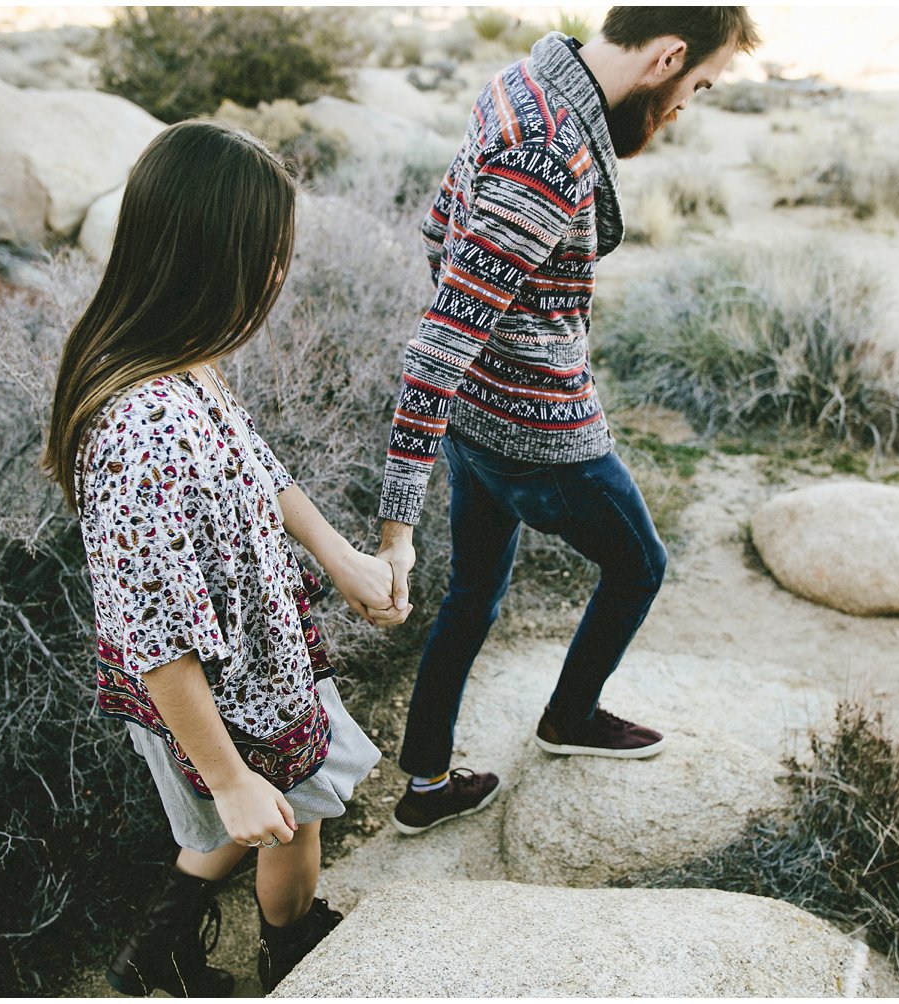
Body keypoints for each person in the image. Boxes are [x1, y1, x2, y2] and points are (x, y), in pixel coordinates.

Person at [43, 120, 407, 995]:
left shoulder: (181, 363)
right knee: (290, 822)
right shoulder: (140, 429)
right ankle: (291, 951)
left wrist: (342, 558)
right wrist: (231, 775)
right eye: (269, 252)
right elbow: (157, 639)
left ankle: (156, 953)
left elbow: (255, 466)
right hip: (221, 694)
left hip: (259, 660)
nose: (279, 274)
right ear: (216, 257)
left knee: (259, 813)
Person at [375, 8, 761, 834]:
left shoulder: (518, 84)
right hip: (540, 434)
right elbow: (439, 342)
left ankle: (427, 781)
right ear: (667, 56)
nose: (688, 104)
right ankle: (571, 718)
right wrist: (395, 525)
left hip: (479, 422)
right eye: (697, 86)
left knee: (475, 590)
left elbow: (440, 231)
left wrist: (497, 344)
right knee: (640, 566)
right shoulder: (551, 154)